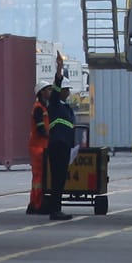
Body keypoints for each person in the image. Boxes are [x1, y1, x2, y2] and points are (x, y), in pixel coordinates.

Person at [40, 84, 77, 221]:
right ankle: (55, 210)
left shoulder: (66, 107)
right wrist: (58, 77)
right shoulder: (54, 104)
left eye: (68, 90)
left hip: (65, 146)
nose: (68, 92)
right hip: (57, 145)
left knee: (60, 180)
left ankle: (56, 209)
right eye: (65, 90)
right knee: (57, 179)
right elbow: (55, 93)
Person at [27, 84, 54, 215]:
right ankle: (37, 204)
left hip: (41, 146)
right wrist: (52, 136)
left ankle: (34, 203)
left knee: (39, 177)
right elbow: (41, 129)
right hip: (38, 147)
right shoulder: (38, 108)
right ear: (42, 92)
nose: (50, 92)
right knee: (39, 177)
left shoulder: (43, 107)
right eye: (48, 90)